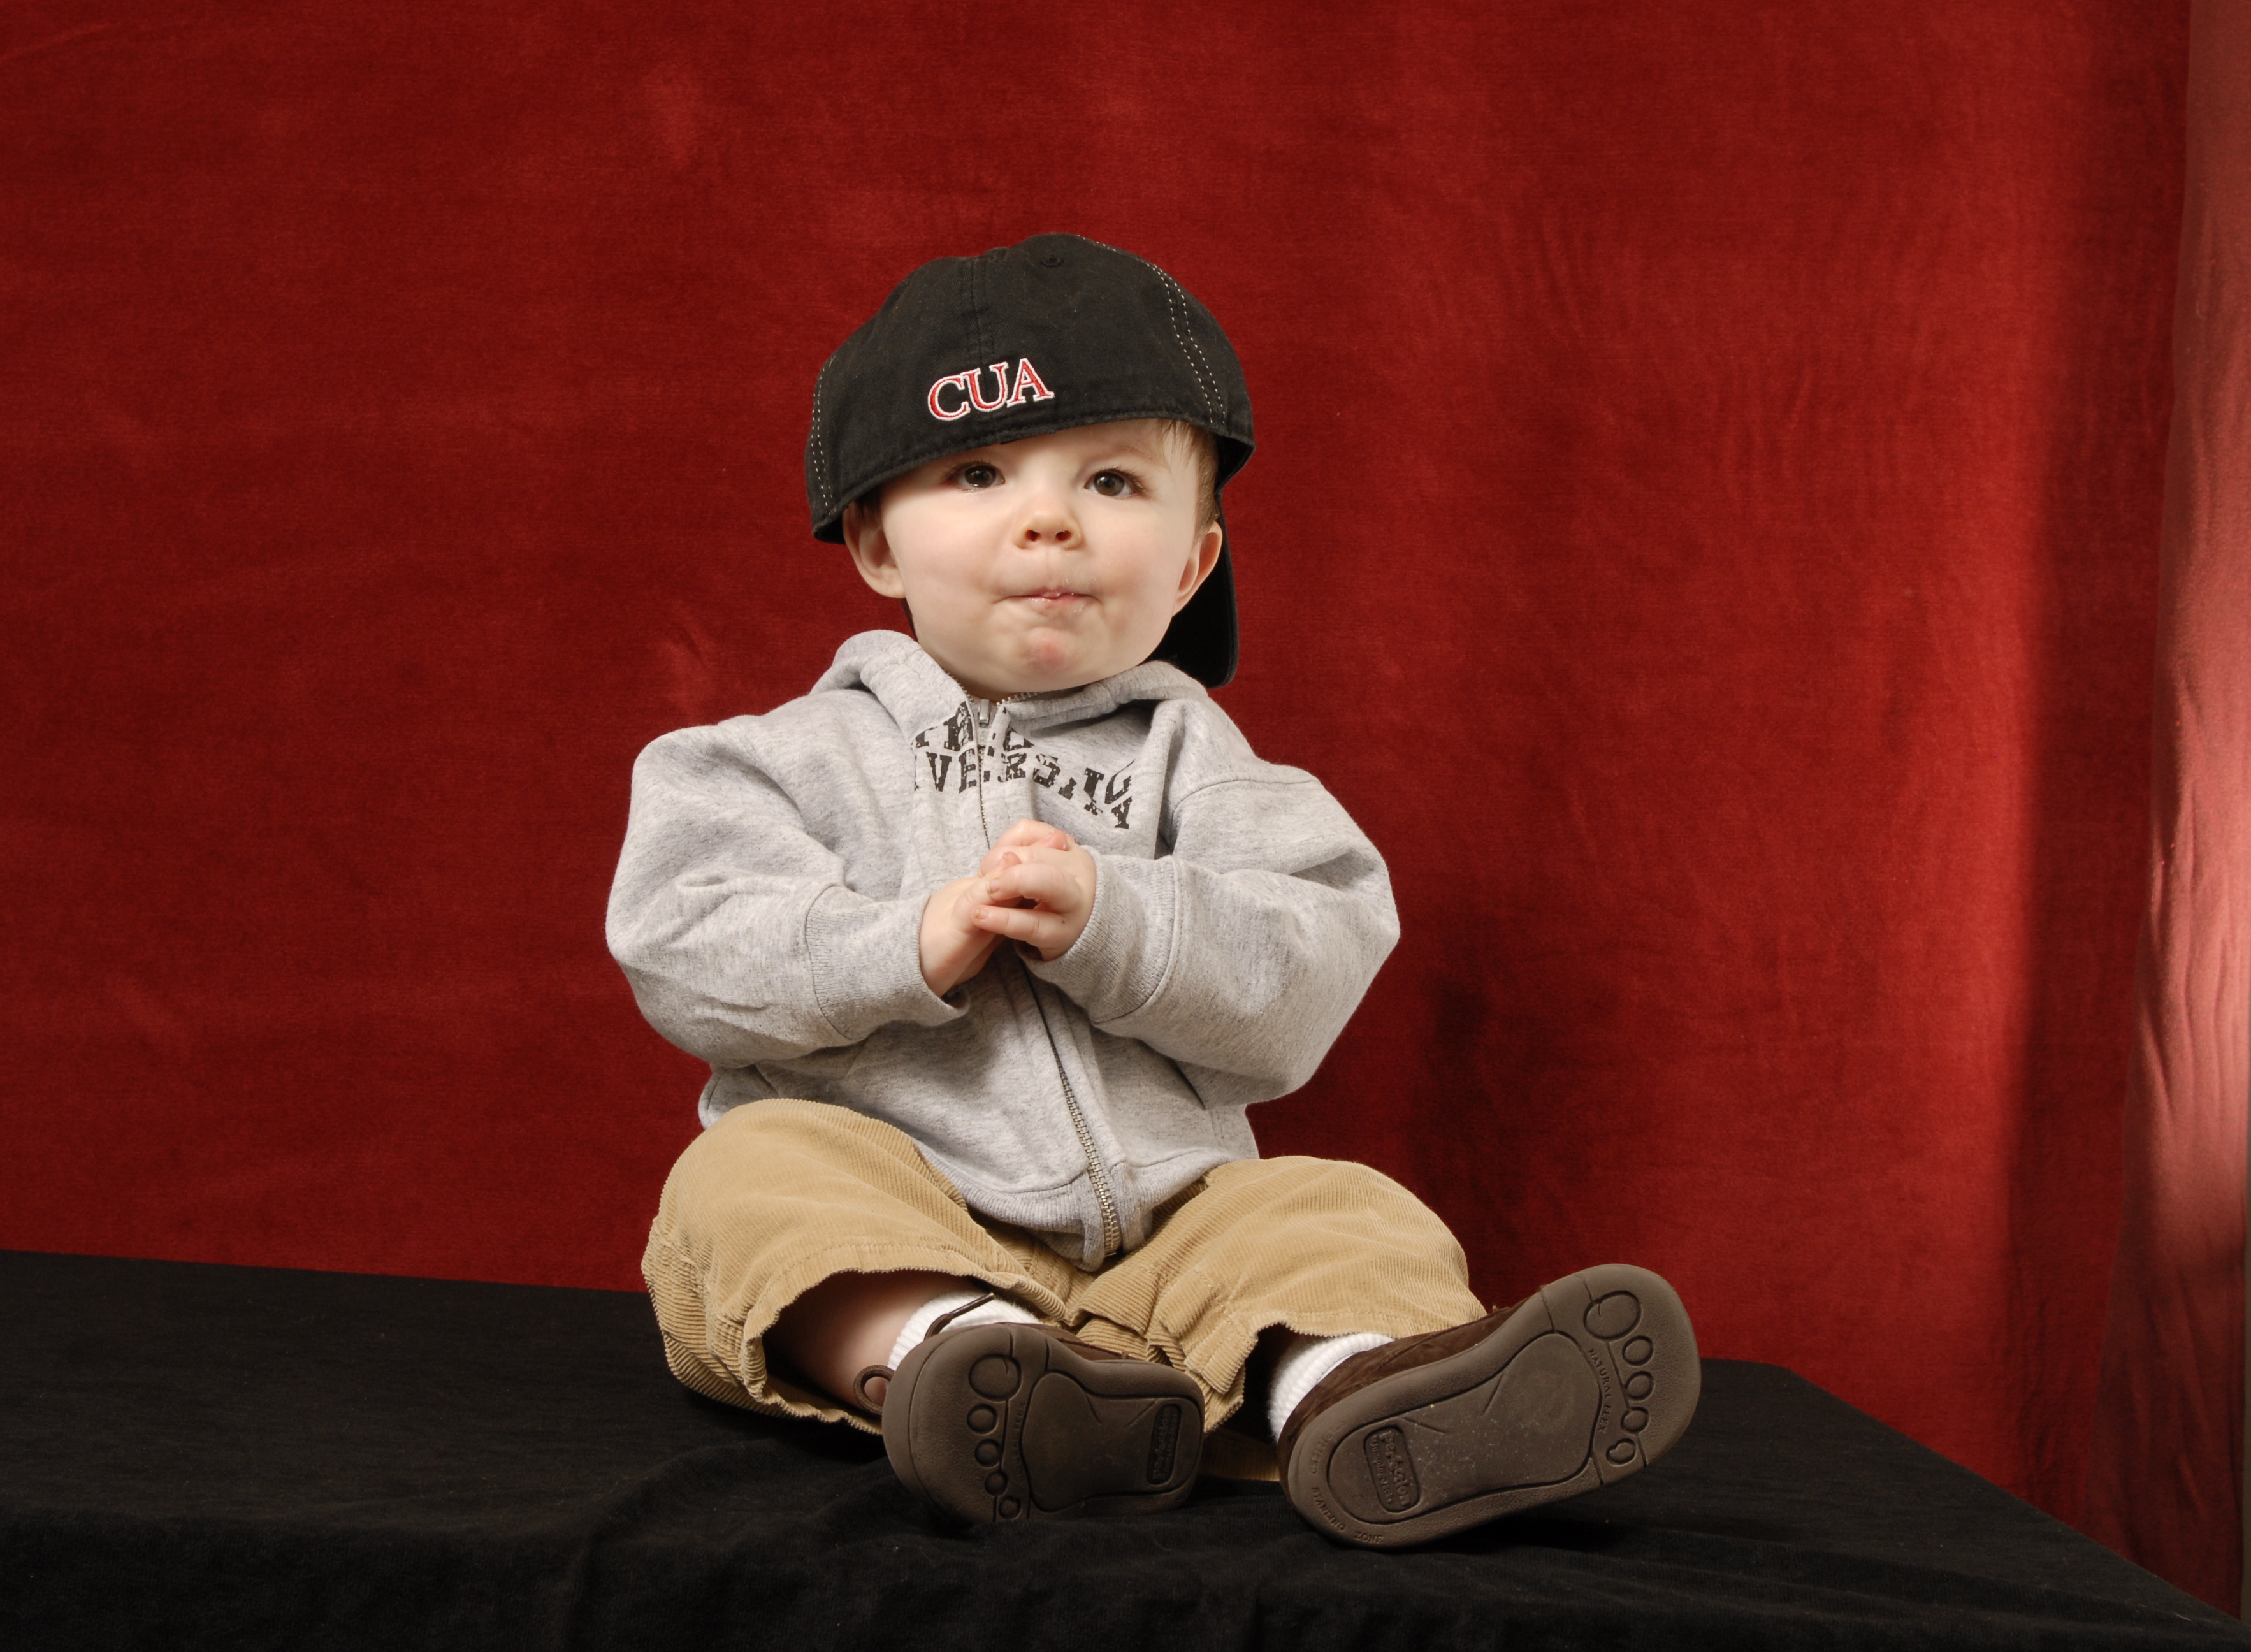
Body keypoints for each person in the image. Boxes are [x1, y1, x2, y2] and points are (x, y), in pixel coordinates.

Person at [606, 233, 1697, 1547]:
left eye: (1113, 479)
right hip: (899, 1198)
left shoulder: (1213, 772)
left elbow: (1300, 980)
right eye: (977, 472)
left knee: (1334, 1208)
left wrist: (1122, 926)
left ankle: (1357, 1396)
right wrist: (909, 940)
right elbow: (683, 943)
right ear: (873, 543)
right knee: (751, 1182)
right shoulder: (763, 763)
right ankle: (961, 1359)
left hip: (1171, 1230)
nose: (1050, 516)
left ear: (1188, 567)